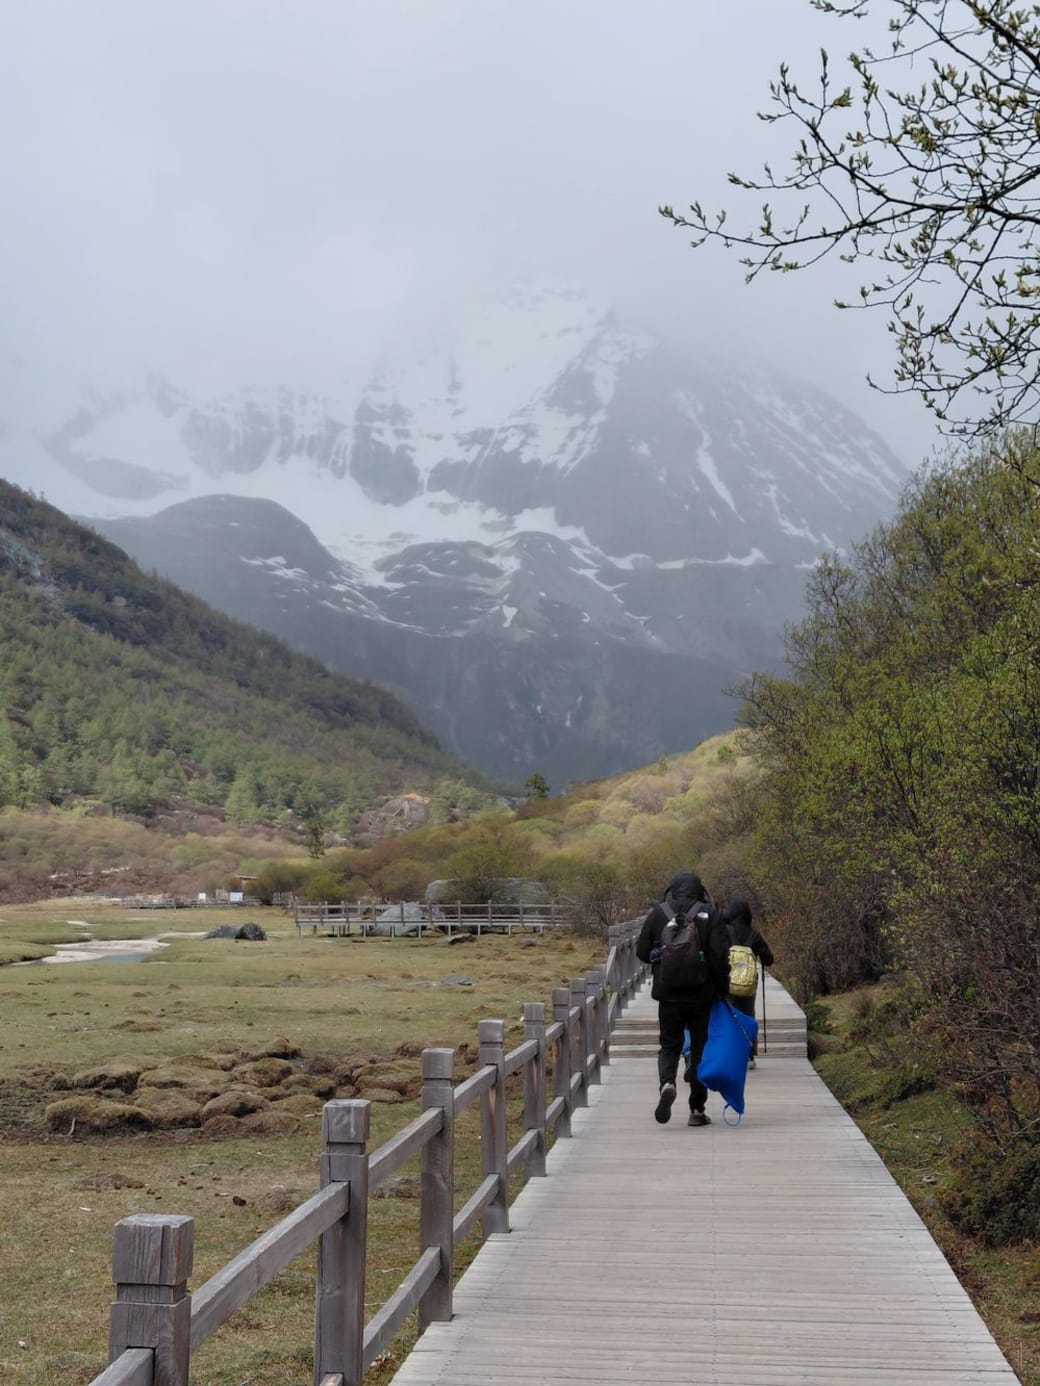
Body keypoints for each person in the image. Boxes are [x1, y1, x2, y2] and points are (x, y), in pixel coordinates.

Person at [636, 871, 730, 1126]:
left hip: (668, 995)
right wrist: (723, 990)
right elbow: (720, 956)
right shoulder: (709, 912)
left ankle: (667, 1083)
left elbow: (642, 952)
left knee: (669, 1045)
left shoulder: (659, 913)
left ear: (673, 889)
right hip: (701, 994)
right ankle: (697, 1110)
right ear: (699, 890)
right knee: (700, 1048)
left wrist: (661, 956)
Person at [720, 897, 774, 1068]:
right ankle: (749, 1055)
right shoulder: (753, 935)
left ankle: (730, 1053)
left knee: (727, 1017)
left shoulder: (724, 931)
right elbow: (769, 959)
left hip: (727, 981)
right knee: (747, 1016)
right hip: (747, 985)